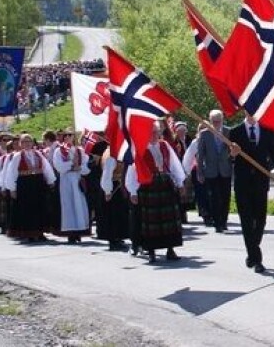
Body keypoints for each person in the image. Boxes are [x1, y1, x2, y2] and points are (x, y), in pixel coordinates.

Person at [229, 114, 274, 274]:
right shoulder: (235, 131)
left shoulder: (267, 131)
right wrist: (233, 154)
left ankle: (252, 247)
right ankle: (256, 258)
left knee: (260, 220)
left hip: (261, 182)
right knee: (247, 221)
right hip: (243, 183)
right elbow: (228, 157)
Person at [126, 122, 186, 263]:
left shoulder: (164, 145)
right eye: (151, 132)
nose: (154, 135)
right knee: (150, 221)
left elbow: (174, 164)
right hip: (148, 185)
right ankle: (151, 251)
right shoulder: (139, 148)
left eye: (156, 132)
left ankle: (170, 249)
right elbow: (133, 170)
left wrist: (180, 182)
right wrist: (133, 191)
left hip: (165, 183)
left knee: (169, 219)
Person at [2, 133, 57, 242]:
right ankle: (29, 233)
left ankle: (40, 232)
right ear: (21, 144)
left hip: (38, 184)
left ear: (32, 143)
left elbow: (46, 167)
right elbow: (11, 172)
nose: (27, 144)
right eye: (24, 142)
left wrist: (51, 180)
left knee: (40, 207)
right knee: (27, 209)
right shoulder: (18, 156)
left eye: (29, 141)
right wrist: (12, 188)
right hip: (25, 185)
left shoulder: (38, 154)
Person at [52, 130, 91, 243]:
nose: (68, 137)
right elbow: (59, 166)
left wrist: (79, 168)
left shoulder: (80, 151)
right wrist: (71, 165)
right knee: (68, 204)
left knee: (79, 204)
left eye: (70, 135)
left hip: (77, 179)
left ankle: (79, 231)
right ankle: (70, 232)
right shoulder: (59, 151)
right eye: (66, 135)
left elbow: (85, 167)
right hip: (66, 180)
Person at [196, 110, 232, 232]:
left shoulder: (228, 132)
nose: (216, 124)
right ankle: (217, 223)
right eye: (214, 121)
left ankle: (224, 221)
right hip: (211, 171)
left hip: (225, 170)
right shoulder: (204, 134)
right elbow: (200, 155)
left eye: (219, 121)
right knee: (214, 198)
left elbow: (233, 150)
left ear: (222, 120)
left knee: (225, 197)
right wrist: (199, 172)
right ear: (210, 121)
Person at [98, 149, 131, 251]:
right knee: (112, 215)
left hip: (116, 186)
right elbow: (107, 174)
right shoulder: (111, 155)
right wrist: (108, 191)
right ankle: (113, 240)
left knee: (118, 214)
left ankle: (117, 237)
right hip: (112, 187)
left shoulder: (110, 152)